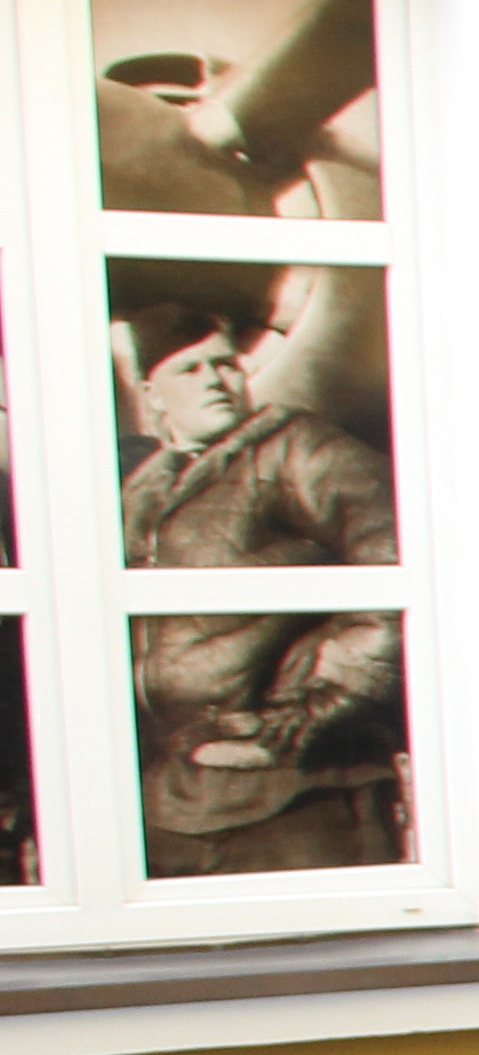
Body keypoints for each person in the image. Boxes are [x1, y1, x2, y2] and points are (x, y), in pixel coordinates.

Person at [114, 299, 407, 875]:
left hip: (299, 789)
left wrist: (314, 707)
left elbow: (399, 559)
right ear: (152, 395)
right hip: (176, 794)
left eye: (224, 364)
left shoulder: (299, 448)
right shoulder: (142, 492)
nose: (214, 380)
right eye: (189, 369)